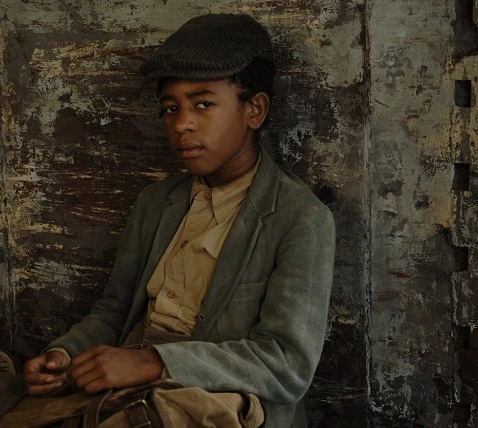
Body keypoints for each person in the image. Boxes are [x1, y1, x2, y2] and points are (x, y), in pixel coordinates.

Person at [23, 13, 335, 427]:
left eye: (203, 104)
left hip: (216, 399)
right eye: (170, 108)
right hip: (128, 382)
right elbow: (114, 313)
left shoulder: (300, 217)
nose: (182, 123)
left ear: (255, 110)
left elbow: (285, 365)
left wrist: (155, 362)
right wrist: (65, 355)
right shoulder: (157, 202)